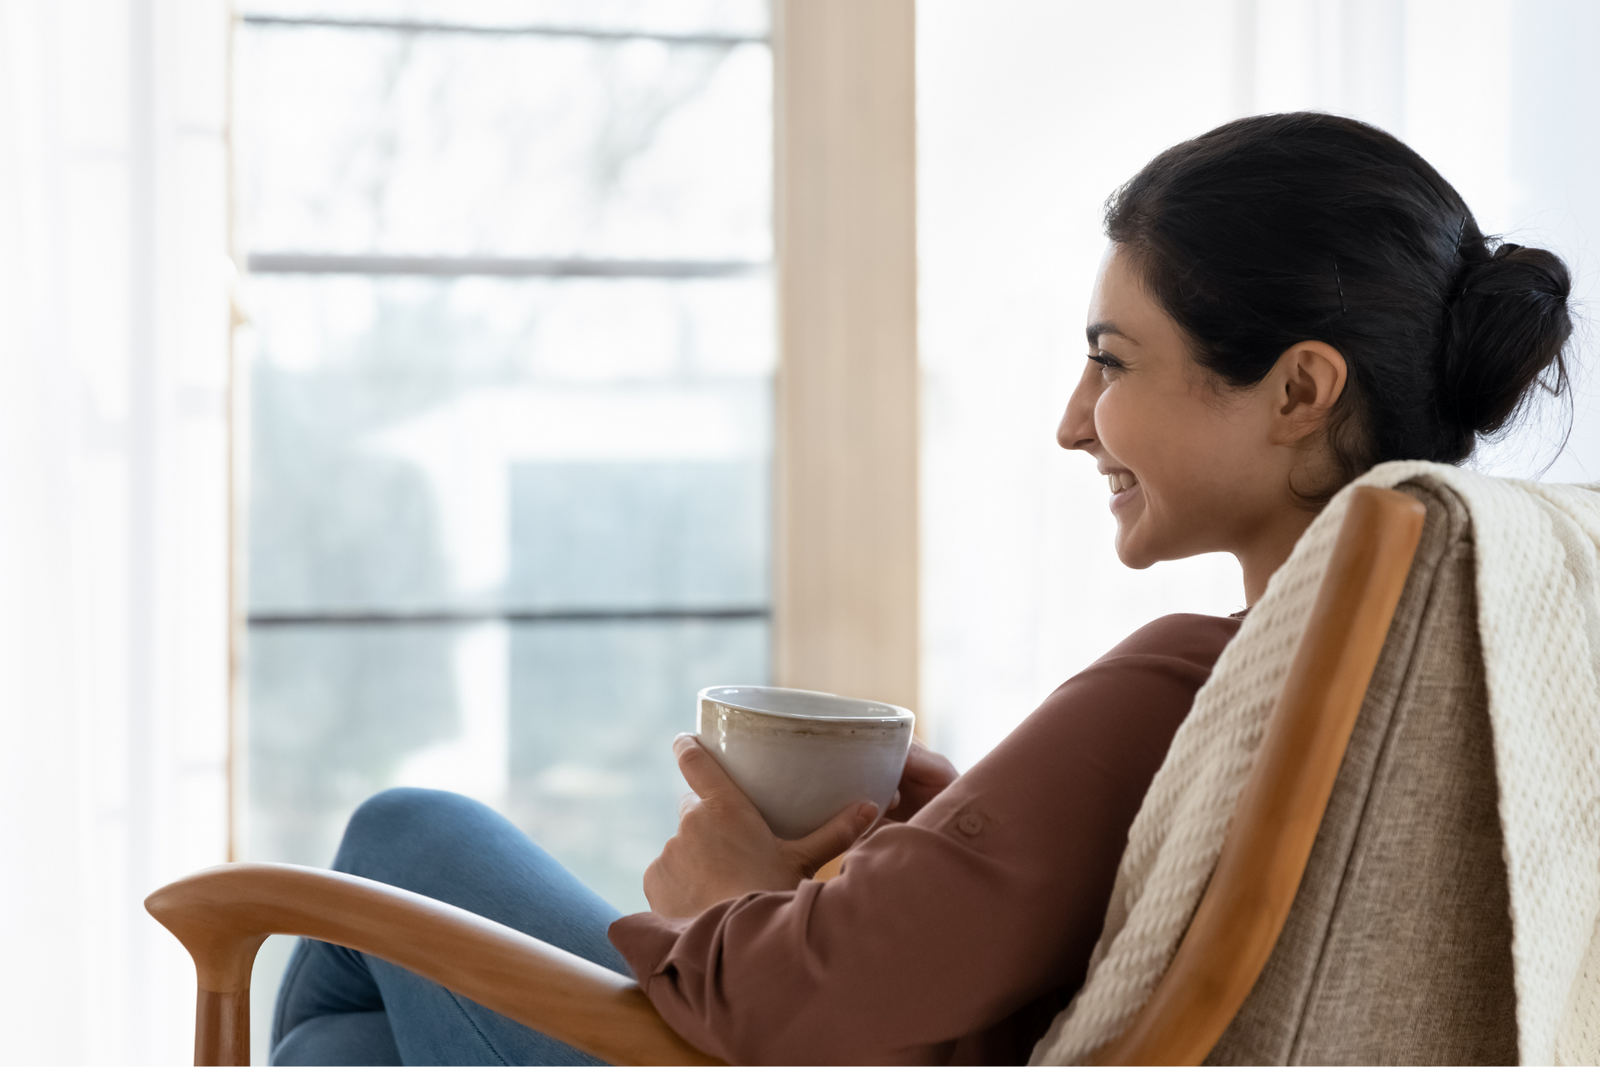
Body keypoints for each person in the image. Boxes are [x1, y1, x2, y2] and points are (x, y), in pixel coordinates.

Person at [270, 112, 1573, 1066]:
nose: (1075, 423)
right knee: (356, 1052)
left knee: (403, 836)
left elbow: (791, 1007)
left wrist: (728, 893)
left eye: (1113, 363)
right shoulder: (1464, 672)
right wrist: (953, 834)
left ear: (1298, 389)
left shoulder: (1193, 673)